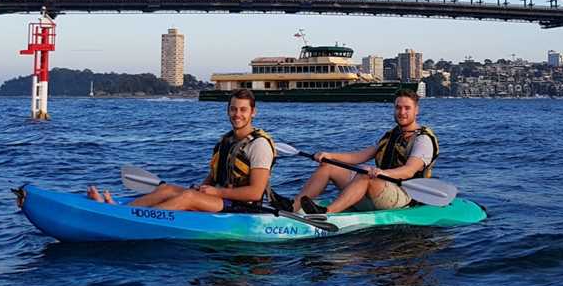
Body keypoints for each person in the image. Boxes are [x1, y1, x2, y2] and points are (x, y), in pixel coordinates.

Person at [87, 88, 276, 213]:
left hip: (242, 208)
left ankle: (137, 218)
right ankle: (119, 211)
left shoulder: (258, 145)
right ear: (228, 111)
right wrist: (203, 187)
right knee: (167, 188)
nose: (238, 115)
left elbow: (255, 193)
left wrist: (215, 193)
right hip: (220, 198)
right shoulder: (226, 140)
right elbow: (214, 177)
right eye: (234, 109)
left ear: (253, 112)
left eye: (243, 110)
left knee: (187, 197)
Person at [295, 88, 438, 214]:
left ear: (416, 110)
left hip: (405, 197)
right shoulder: (391, 135)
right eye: (398, 108)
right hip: (379, 191)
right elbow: (359, 156)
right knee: (329, 166)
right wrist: (329, 155)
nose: (402, 112)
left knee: (365, 173)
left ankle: (326, 213)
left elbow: (409, 171)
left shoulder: (422, 139)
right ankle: (292, 207)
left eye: (407, 108)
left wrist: (382, 173)